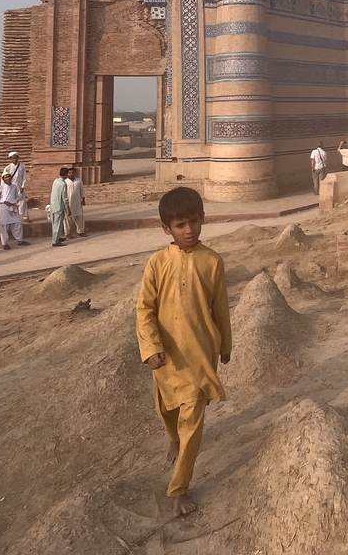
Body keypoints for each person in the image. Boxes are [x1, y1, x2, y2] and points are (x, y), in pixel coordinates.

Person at [135, 187, 232, 517]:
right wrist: (150, 347)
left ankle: (178, 489)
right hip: (166, 356)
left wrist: (226, 346)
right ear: (167, 229)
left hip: (201, 355)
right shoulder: (157, 263)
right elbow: (144, 309)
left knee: (192, 420)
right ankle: (174, 441)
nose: (189, 230)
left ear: (203, 220)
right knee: (167, 409)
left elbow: (221, 309)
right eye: (180, 225)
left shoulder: (212, 261)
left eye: (194, 222)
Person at [0, 169, 25, 249]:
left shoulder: (14, 186)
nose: (8, 178)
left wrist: (20, 194)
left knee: (17, 223)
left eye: (9, 177)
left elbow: (18, 197)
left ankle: (20, 240)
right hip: (4, 208)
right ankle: (5, 243)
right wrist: (4, 201)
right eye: (6, 177)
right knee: (4, 225)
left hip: (13, 206)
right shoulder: (0, 188)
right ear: (3, 179)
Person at [47, 167, 70, 247]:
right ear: (66, 174)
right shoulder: (63, 184)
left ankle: (58, 237)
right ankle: (55, 241)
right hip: (59, 206)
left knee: (56, 223)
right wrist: (68, 208)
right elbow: (65, 198)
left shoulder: (55, 181)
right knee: (57, 224)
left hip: (53, 205)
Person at [3, 151, 29, 221]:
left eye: (16, 158)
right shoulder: (7, 168)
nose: (15, 159)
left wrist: (23, 186)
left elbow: (24, 177)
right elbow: (4, 179)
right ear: (10, 159)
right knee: (12, 202)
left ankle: (24, 216)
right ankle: (13, 217)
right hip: (11, 187)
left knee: (22, 201)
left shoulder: (22, 166)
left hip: (20, 187)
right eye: (13, 158)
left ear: (18, 158)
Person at [65, 167, 87, 238]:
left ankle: (80, 231)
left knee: (79, 217)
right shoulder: (65, 182)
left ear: (75, 173)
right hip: (69, 203)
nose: (71, 174)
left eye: (72, 173)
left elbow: (82, 190)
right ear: (67, 174)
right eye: (69, 173)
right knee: (67, 219)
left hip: (77, 202)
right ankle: (67, 233)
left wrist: (83, 199)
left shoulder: (79, 180)